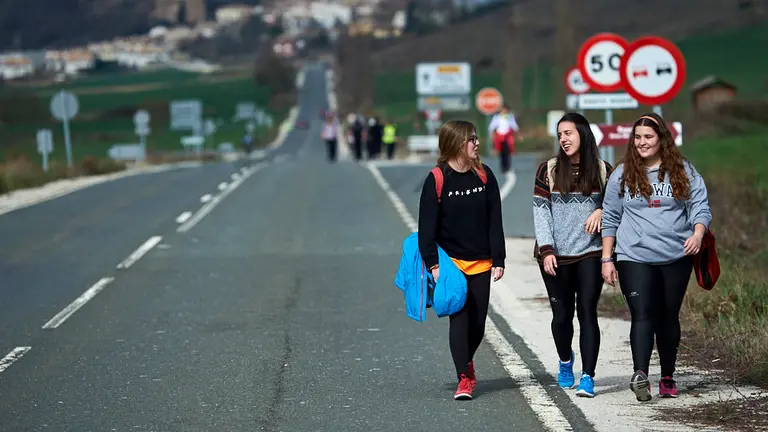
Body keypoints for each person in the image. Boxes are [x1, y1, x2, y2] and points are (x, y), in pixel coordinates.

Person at [600, 113, 712, 402]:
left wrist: (697, 235)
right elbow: (611, 216)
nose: (642, 142)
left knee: (667, 316)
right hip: (633, 255)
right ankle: (640, 375)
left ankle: (667, 376)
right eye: (637, 137)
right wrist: (607, 258)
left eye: (648, 137)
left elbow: (700, 206)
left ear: (662, 139)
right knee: (642, 313)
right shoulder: (623, 173)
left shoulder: (682, 170)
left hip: (676, 254)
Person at [417, 120, 506, 401]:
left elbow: (495, 220)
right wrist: (433, 264)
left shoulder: (484, 175)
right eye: (471, 139)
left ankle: (466, 361)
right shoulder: (437, 178)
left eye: (476, 138)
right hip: (450, 264)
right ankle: (464, 378)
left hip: (480, 261)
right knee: (460, 319)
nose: (476, 143)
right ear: (456, 143)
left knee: (478, 324)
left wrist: (499, 257)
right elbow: (426, 227)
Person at [532, 112, 613, 398]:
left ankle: (588, 376)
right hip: (555, 255)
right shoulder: (549, 170)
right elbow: (541, 213)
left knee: (587, 312)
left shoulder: (604, 170)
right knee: (562, 316)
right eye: (560, 134)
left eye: (569, 133)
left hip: (590, 253)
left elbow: (618, 208)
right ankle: (566, 361)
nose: (564, 139)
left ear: (583, 134)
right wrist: (546, 250)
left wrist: (602, 210)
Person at [487, 105, 520, 175]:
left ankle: (508, 166)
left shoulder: (510, 117)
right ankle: (503, 167)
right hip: (499, 136)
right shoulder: (497, 117)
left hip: (507, 136)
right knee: (501, 153)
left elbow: (514, 125)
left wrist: (518, 134)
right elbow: (492, 126)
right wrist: (491, 134)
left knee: (507, 152)